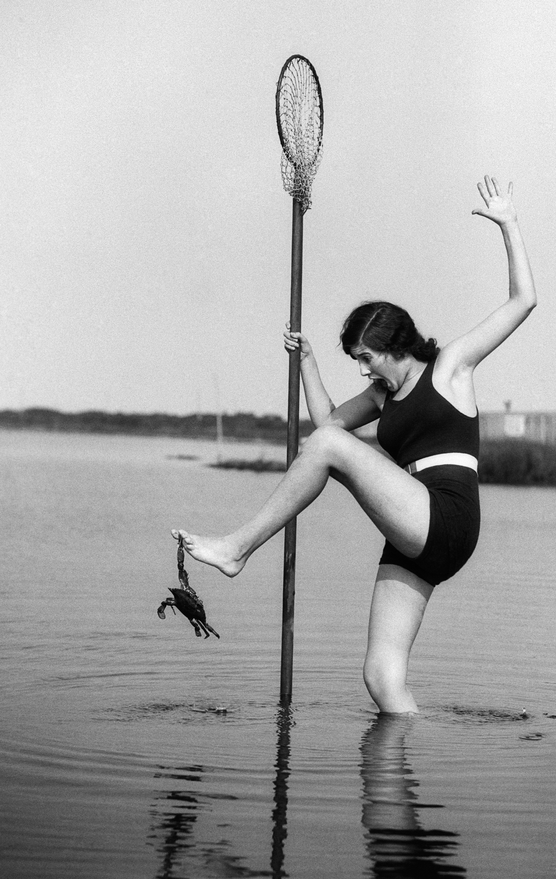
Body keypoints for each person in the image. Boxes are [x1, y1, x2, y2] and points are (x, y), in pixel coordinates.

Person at [172, 175, 536, 714]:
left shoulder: (451, 366)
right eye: (355, 361)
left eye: (366, 357)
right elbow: (328, 426)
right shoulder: (379, 395)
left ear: (395, 345)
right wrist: (308, 365)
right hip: (416, 531)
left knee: (326, 448)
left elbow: (524, 300)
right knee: (381, 678)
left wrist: (507, 223)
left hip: (448, 515)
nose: (364, 370)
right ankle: (398, 782)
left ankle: (237, 549)